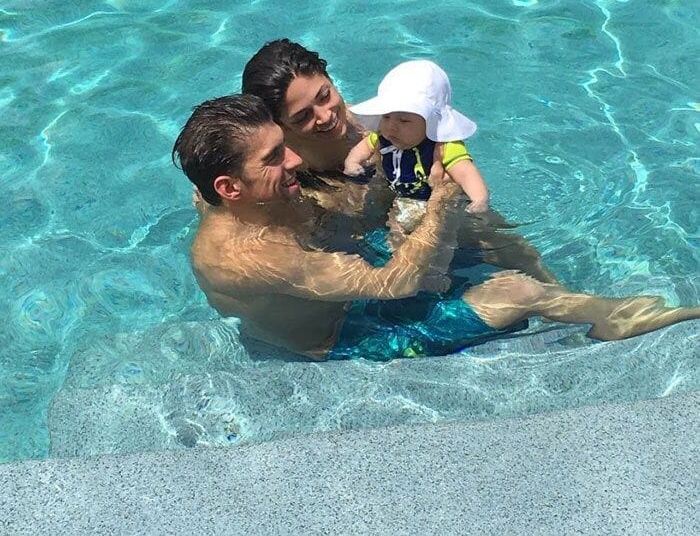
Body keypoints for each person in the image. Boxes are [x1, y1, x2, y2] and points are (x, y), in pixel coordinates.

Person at [172, 95, 700, 361]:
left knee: (431, 221)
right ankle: (609, 318)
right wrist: (445, 201)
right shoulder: (252, 255)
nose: (293, 159)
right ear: (229, 188)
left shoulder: (224, 198)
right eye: (273, 157)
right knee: (513, 293)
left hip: (334, 290)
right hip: (340, 339)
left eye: (284, 143)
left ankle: (551, 284)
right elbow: (392, 285)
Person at [242, 38, 557, 283]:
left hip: (415, 200)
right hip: (371, 242)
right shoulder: (288, 170)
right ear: (279, 125)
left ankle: (564, 296)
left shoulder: (376, 122)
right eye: (302, 117)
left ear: (329, 78)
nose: (326, 117)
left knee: (498, 239)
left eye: (324, 96)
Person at [344, 59, 489, 212]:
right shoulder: (383, 136)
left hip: (431, 203)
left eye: (404, 120)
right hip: (399, 193)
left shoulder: (445, 146)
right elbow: (364, 147)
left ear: (430, 121)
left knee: (401, 228)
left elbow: (466, 172)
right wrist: (352, 162)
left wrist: (479, 200)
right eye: (386, 116)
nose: (391, 126)